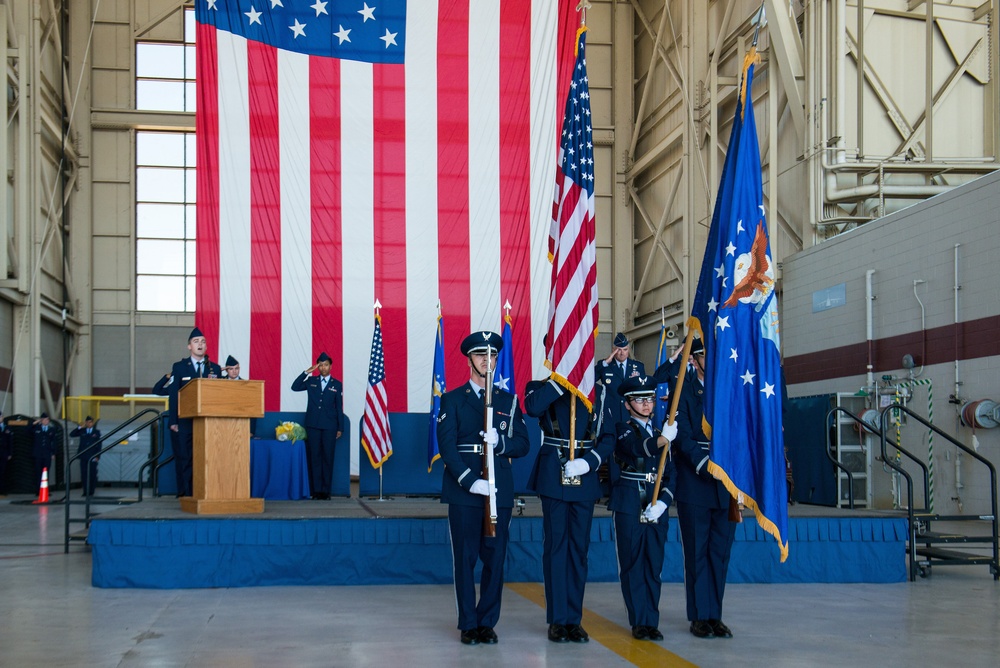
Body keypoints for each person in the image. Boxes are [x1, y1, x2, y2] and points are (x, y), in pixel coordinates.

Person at [437, 330, 530, 645]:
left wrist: (500, 442)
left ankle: (487, 621)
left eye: (491, 356)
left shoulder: (509, 400)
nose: (486, 361)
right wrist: (468, 480)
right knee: (465, 558)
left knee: (495, 557)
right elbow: (447, 447)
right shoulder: (452, 399)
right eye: (480, 355)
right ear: (469, 360)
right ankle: (468, 623)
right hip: (465, 490)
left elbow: (522, 443)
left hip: (498, 489)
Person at [524, 374, 613, 644]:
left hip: (583, 474)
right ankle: (557, 620)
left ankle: (574, 619)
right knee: (556, 550)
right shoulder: (540, 387)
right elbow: (533, 408)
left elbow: (609, 435)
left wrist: (590, 462)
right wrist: (561, 380)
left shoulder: (598, 390)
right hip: (555, 473)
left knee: (578, 551)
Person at [673, 338, 736, 639]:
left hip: (725, 482)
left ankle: (715, 615)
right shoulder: (684, 390)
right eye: (703, 356)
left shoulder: (730, 389)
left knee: (719, 553)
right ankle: (699, 615)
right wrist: (703, 464)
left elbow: (740, 430)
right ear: (694, 360)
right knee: (697, 552)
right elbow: (682, 435)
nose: (709, 361)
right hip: (695, 479)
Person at [610, 375, 677, 641]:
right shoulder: (622, 429)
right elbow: (636, 449)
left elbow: (672, 473)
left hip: (656, 502)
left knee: (654, 564)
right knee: (633, 563)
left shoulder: (662, 433)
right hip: (630, 502)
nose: (647, 404)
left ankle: (652, 619)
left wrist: (664, 501)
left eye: (649, 399)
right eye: (639, 399)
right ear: (628, 404)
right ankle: (639, 620)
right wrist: (663, 441)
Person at [166, 327, 222, 497]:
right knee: (185, 458)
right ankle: (185, 493)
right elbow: (174, 394)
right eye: (196, 341)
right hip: (185, 422)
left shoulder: (215, 369)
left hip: (208, 422)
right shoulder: (180, 367)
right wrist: (173, 420)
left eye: (203, 342)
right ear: (189, 346)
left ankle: (205, 492)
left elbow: (220, 395)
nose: (200, 344)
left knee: (206, 459)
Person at [290, 352, 343, 500]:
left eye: (326, 365)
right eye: (321, 365)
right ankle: (315, 490)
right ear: (317, 366)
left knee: (328, 458)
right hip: (313, 425)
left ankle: (326, 491)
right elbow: (295, 387)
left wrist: (340, 427)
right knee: (314, 457)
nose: (323, 368)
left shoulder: (337, 385)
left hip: (329, 427)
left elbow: (339, 407)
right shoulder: (311, 382)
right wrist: (307, 372)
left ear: (331, 366)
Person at [595, 332, 646, 425]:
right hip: (610, 414)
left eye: (625, 349)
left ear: (628, 349)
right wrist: (605, 362)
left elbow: (642, 390)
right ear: (613, 350)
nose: (622, 353)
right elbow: (590, 379)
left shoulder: (638, 367)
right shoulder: (605, 365)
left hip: (631, 414)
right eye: (619, 350)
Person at [70, 416, 102, 496]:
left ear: (92, 423)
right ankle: (85, 491)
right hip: (83, 456)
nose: (89, 423)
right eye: (87, 422)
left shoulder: (96, 432)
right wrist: (80, 427)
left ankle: (91, 491)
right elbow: (72, 434)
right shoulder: (82, 431)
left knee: (92, 474)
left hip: (92, 456)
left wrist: (98, 456)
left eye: (90, 422)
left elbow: (99, 445)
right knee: (84, 474)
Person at [31, 412, 58, 491]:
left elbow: (54, 442)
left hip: (47, 454)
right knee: (38, 472)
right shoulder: (36, 428)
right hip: (38, 454)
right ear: (41, 420)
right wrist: (34, 423)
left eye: (47, 420)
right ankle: (38, 490)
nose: (46, 421)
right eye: (44, 420)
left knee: (46, 472)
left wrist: (53, 453)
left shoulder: (51, 430)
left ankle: (45, 490)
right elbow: (27, 430)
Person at [0, 411, 12, 497]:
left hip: (4, 453)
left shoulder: (7, 428)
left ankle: (3, 489)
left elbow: (10, 442)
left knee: (3, 472)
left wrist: (10, 453)